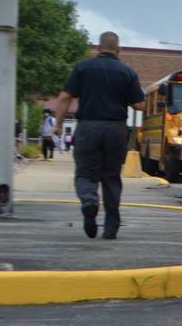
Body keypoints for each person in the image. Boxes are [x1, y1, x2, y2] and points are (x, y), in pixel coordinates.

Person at [53, 32, 145, 239]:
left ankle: (89, 201)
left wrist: (58, 125)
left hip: (88, 127)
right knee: (111, 177)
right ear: (118, 49)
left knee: (85, 174)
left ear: (98, 48)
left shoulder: (82, 68)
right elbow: (139, 105)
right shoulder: (127, 71)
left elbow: (65, 97)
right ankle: (111, 227)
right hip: (116, 130)